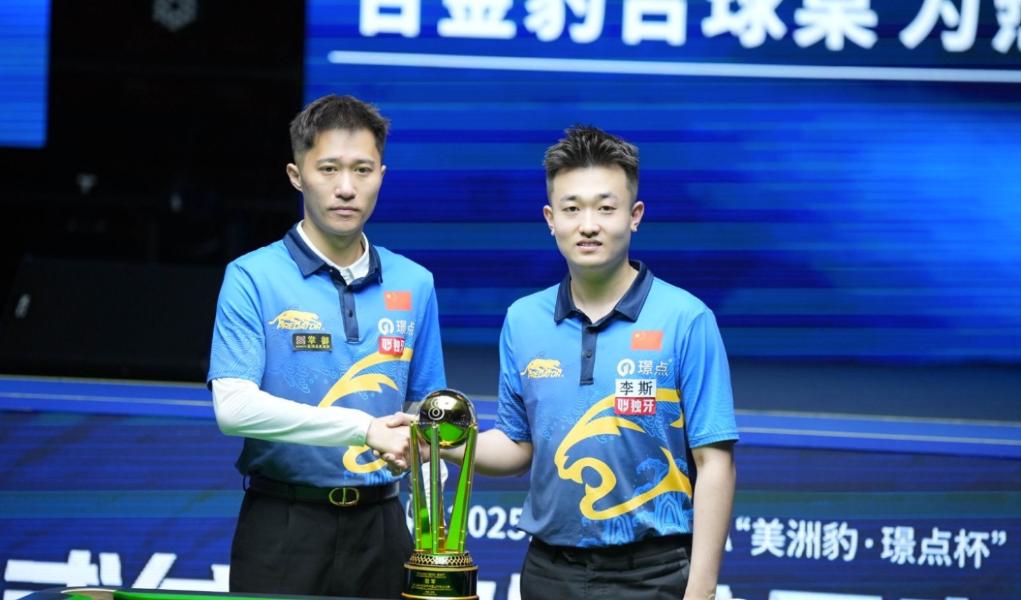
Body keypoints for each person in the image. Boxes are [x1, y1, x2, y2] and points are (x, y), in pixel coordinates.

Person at [444, 125, 738, 600]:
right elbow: (517, 447)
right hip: (548, 570)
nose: (587, 225)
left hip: (653, 573)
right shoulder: (523, 319)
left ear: (634, 216)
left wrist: (700, 591)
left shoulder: (686, 319)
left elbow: (714, 463)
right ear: (550, 219)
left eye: (605, 208)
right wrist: (436, 439)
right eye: (571, 208)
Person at [207, 94, 445, 599]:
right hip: (283, 525)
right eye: (329, 169)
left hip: (383, 526)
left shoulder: (416, 282)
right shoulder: (251, 276)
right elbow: (233, 409)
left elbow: (424, 409)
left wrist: (426, 462)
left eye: (362, 170)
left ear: (382, 174)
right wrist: (364, 429)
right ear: (297, 176)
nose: (346, 188)